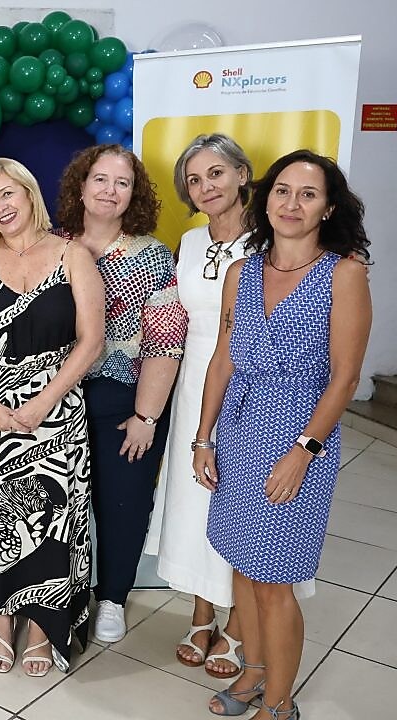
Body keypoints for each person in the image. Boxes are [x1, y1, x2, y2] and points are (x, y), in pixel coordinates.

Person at [193, 150, 371, 720]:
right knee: (243, 566)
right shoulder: (242, 272)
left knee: (275, 582)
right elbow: (224, 358)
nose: (291, 204)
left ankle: (279, 703)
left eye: (308, 194)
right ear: (265, 198)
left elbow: (344, 379)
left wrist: (303, 452)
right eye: (282, 191)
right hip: (239, 435)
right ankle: (251, 677)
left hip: (299, 439)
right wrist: (203, 437)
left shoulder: (343, 272)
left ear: (329, 206)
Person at [0, 158, 104, 677]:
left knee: (49, 519)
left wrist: (42, 402)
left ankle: (40, 625)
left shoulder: (73, 255)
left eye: (8, 194)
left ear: (29, 194)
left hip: (56, 408)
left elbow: (90, 340)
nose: (1, 207)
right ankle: (2, 619)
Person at [55, 144, 187, 644]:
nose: (110, 191)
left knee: (122, 503)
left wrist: (146, 417)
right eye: (101, 180)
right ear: (81, 186)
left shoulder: (150, 256)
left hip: (124, 399)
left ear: (134, 194)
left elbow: (166, 339)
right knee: (56, 503)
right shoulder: (53, 243)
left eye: (122, 183)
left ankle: (111, 598)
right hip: (58, 394)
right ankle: (57, 594)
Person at [144, 134, 257, 678]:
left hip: (249, 389)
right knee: (195, 502)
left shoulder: (271, 239)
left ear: (242, 174)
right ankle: (201, 610)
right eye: (194, 179)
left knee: (240, 506)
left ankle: (238, 624)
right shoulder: (188, 243)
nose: (206, 186)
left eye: (216, 173)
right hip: (193, 386)